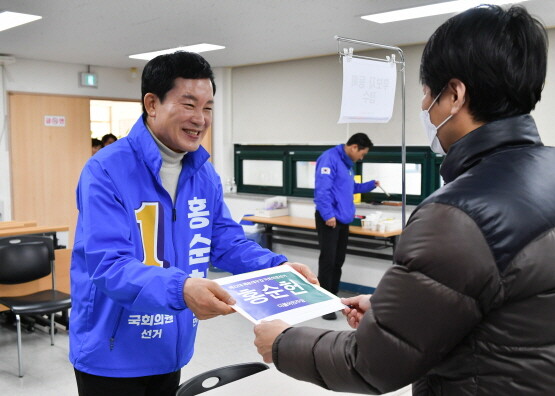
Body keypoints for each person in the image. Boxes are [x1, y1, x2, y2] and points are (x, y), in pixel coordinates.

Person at [254, 5, 555, 395]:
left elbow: (371, 364)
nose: (423, 107)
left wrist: (282, 342)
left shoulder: (456, 216)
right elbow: (506, 294)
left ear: (455, 95)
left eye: (427, 93)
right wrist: (391, 308)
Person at [69, 51, 316, 396]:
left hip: (172, 344)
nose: (200, 119)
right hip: (111, 352)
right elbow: (108, 266)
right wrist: (182, 289)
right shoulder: (106, 170)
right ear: (152, 103)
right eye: (189, 105)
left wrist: (278, 266)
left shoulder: (204, 174)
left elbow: (226, 241)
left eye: (208, 107)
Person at [314, 132, 379, 319]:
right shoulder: (329, 159)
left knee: (338, 261)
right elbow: (322, 190)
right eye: (362, 153)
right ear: (354, 147)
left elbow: (350, 188)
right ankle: (324, 306)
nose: (362, 157)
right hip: (330, 219)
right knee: (328, 261)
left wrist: (369, 185)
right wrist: (328, 215)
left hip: (343, 219)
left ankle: (333, 300)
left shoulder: (347, 165)